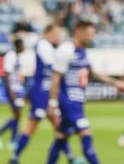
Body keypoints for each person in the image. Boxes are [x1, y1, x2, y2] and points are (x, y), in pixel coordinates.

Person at [47, 20, 124, 164]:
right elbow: (55, 77)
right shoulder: (66, 49)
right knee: (86, 134)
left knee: (61, 136)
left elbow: (93, 73)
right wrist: (53, 103)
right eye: (90, 34)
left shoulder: (83, 51)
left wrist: (115, 82)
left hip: (78, 100)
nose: (92, 37)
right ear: (79, 31)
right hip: (69, 101)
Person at [10, 25, 79, 164]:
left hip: (47, 91)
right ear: (48, 33)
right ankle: (14, 157)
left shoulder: (49, 46)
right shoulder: (43, 45)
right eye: (56, 33)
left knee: (59, 125)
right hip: (41, 92)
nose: (58, 36)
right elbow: (52, 64)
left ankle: (70, 156)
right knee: (33, 125)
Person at [0, 38, 25, 150]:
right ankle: (13, 139)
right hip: (13, 90)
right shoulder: (11, 56)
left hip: (17, 89)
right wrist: (11, 92)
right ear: (18, 45)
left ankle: (13, 139)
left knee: (18, 116)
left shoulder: (16, 56)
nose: (24, 47)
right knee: (17, 115)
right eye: (23, 45)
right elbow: (6, 75)